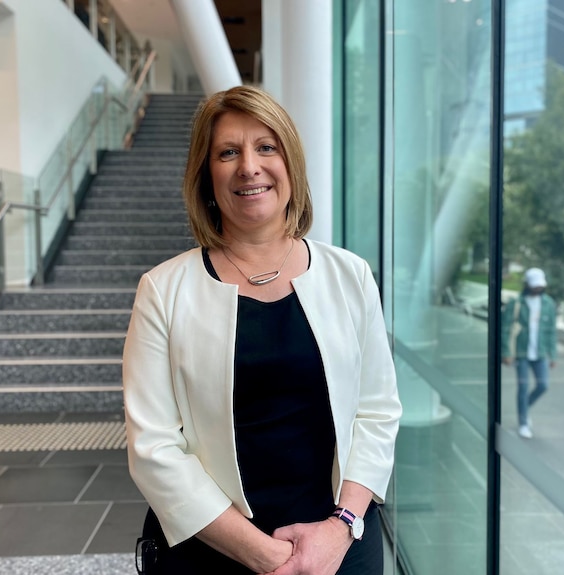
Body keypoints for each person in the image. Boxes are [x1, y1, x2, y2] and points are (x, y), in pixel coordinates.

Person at [122, 85, 402, 575]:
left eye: (266, 147)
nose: (249, 166)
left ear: (290, 164)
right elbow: (154, 447)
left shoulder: (350, 275)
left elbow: (377, 412)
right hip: (210, 550)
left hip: (341, 545)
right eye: (228, 152)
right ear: (206, 176)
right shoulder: (163, 290)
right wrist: (266, 556)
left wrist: (340, 527)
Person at [501, 267, 557, 439]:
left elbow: (551, 330)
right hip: (521, 352)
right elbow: (505, 328)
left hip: (540, 352)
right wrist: (506, 351)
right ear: (527, 284)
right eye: (534, 285)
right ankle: (523, 422)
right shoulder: (516, 303)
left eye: (540, 285)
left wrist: (553, 354)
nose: (538, 288)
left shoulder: (548, 303)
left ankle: (524, 409)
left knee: (543, 385)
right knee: (523, 387)